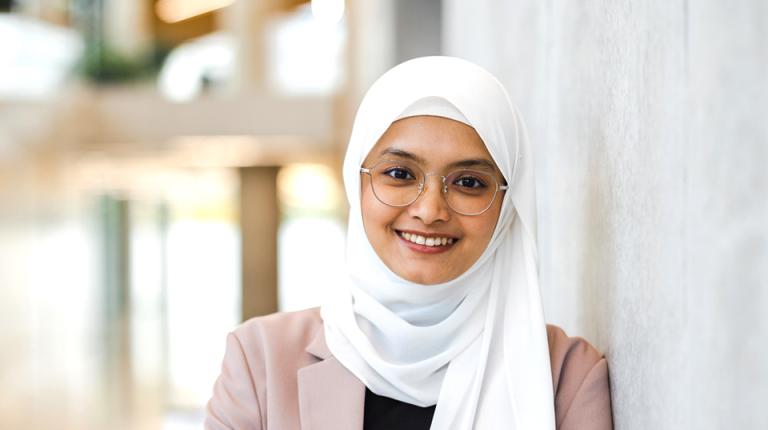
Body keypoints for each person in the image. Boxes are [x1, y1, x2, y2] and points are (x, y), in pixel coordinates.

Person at [205, 56, 613, 429]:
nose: (430, 209)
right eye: (399, 174)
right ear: (357, 183)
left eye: (469, 183)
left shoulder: (565, 377)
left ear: (508, 205)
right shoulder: (260, 360)